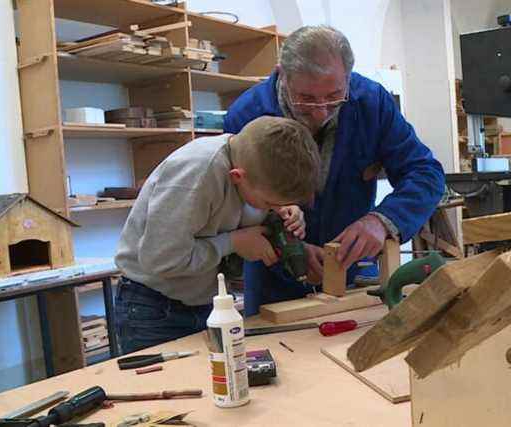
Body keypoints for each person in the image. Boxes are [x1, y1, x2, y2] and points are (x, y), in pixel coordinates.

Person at [223, 25, 446, 316]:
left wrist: (382, 220)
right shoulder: (247, 115)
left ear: (348, 78)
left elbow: (425, 172)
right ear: (282, 74)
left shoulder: (372, 104)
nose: (320, 112)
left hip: (349, 276)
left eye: (333, 96)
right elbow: (233, 204)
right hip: (272, 281)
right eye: (306, 99)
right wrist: (288, 244)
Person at [114, 116, 320, 354]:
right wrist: (234, 243)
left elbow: (239, 214)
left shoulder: (252, 170)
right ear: (237, 177)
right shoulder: (196, 175)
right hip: (154, 309)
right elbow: (161, 260)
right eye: (269, 203)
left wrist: (283, 221)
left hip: (204, 303)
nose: (272, 208)